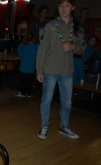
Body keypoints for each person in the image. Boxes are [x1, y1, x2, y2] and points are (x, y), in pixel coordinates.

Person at [36, 0, 84, 140]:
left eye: (67, 5)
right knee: (46, 100)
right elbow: (42, 49)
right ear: (58, 8)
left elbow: (83, 49)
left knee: (67, 102)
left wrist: (73, 47)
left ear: (73, 8)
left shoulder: (77, 28)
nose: (64, 9)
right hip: (49, 69)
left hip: (67, 71)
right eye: (61, 5)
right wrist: (39, 70)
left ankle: (64, 126)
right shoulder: (50, 26)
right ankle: (44, 126)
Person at [15, 32, 38, 98]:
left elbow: (20, 54)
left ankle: (22, 93)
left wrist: (20, 45)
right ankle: (29, 94)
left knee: (23, 82)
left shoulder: (24, 46)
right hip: (32, 68)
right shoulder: (36, 46)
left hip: (24, 68)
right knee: (30, 82)